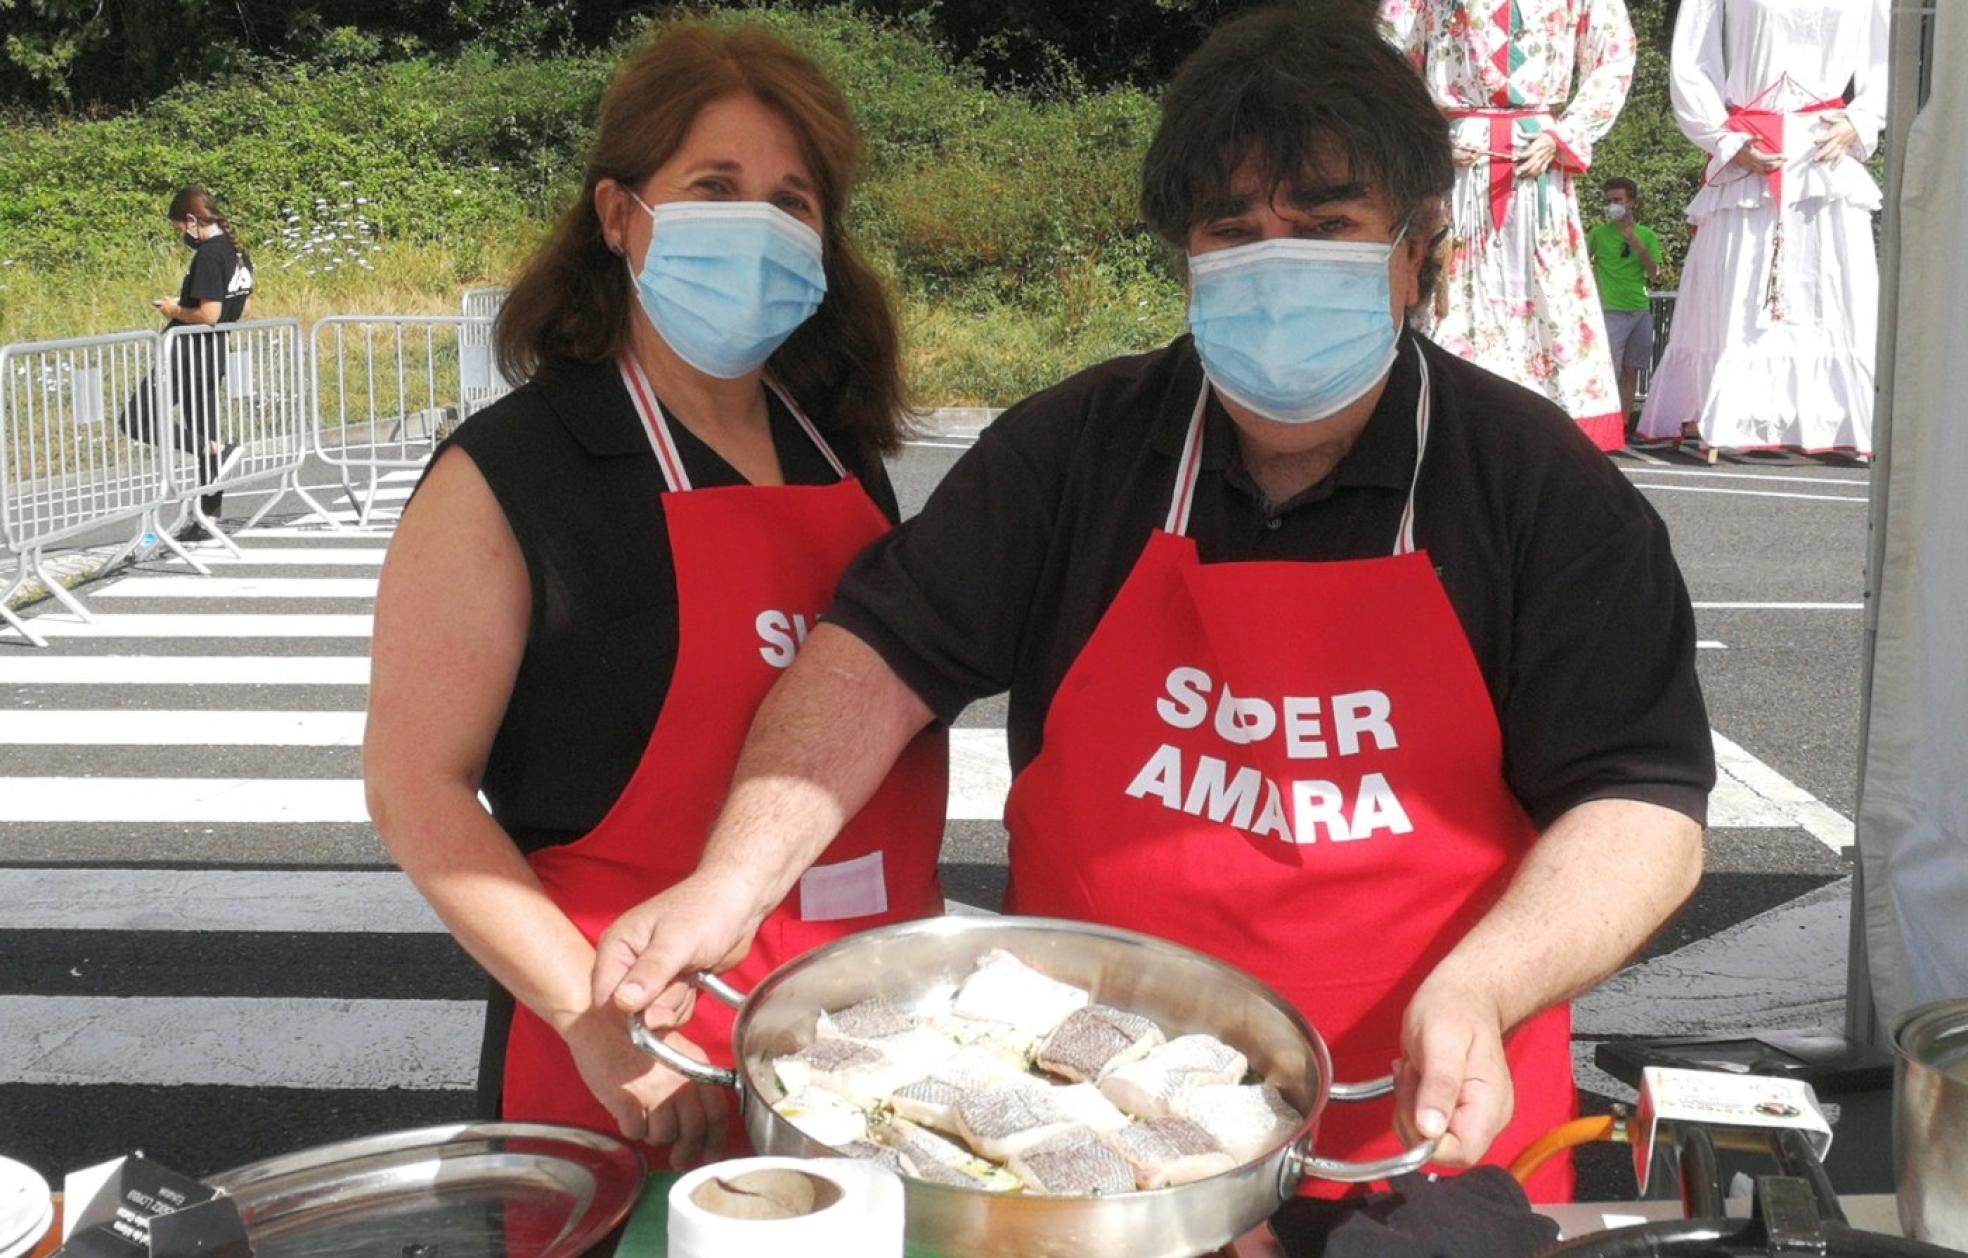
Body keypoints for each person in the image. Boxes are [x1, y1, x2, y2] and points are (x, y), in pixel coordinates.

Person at [590, 5, 1711, 1202]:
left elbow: (1640, 803)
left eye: (1326, 226)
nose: (1277, 263)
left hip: (1422, 1126)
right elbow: (874, 659)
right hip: (1070, 1140)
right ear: (1186, 256)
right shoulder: (1076, 451)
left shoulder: (1535, 487)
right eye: (1235, 231)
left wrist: (1485, 987)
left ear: (1420, 245)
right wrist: (730, 883)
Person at [362, 23, 948, 1169]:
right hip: (634, 1053)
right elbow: (413, 786)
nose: (756, 226)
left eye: (790, 202)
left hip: (867, 1046)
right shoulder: (514, 472)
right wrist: (591, 1018)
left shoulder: (842, 455)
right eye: (714, 187)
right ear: (620, 215)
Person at [1379, 0, 1636, 452]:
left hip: (1537, 157)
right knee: (1448, 289)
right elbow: (1387, 56)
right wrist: (1427, 138)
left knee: (1545, 291)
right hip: (1457, 161)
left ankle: (1551, 429)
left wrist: (1564, 134)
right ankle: (1443, 416)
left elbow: (1614, 54)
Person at [1637, 0, 1885, 458]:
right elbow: (1692, 61)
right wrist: (1724, 138)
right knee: (1740, 299)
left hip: (1825, 155)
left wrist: (1862, 118)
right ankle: (1727, 413)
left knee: (1829, 288)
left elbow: (1886, 58)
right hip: (1750, 151)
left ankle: (1838, 418)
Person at [116, 186, 254, 538]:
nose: (181, 235)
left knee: (135, 419)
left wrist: (174, 309)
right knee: (204, 427)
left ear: (192, 220)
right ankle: (208, 519)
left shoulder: (209, 255)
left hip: (186, 353)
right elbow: (242, 307)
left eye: (179, 228)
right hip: (214, 352)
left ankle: (215, 450)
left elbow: (208, 314)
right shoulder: (238, 252)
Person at [1586, 178, 1663, 430]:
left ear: (1632, 202)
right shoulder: (1598, 234)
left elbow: (1655, 274)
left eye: (1617, 200)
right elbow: (1580, 263)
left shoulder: (1647, 235)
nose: (1612, 205)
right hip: (1610, 310)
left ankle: (1623, 424)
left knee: (1631, 370)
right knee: (1609, 369)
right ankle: (1602, 422)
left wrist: (1638, 247)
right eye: (1609, 201)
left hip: (1640, 309)